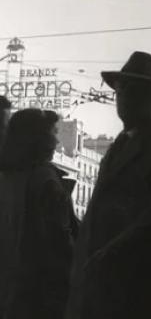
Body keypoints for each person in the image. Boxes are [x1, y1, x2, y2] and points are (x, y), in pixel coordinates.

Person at [65, 51, 151, 319]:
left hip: (147, 292)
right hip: (107, 291)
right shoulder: (117, 147)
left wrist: (105, 255)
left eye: (129, 90)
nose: (119, 98)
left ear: (150, 98)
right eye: (118, 90)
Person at [0, 107, 79, 319]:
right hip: (41, 295)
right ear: (39, 138)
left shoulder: (7, 176)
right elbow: (61, 242)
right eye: (53, 133)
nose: (57, 142)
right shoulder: (47, 181)